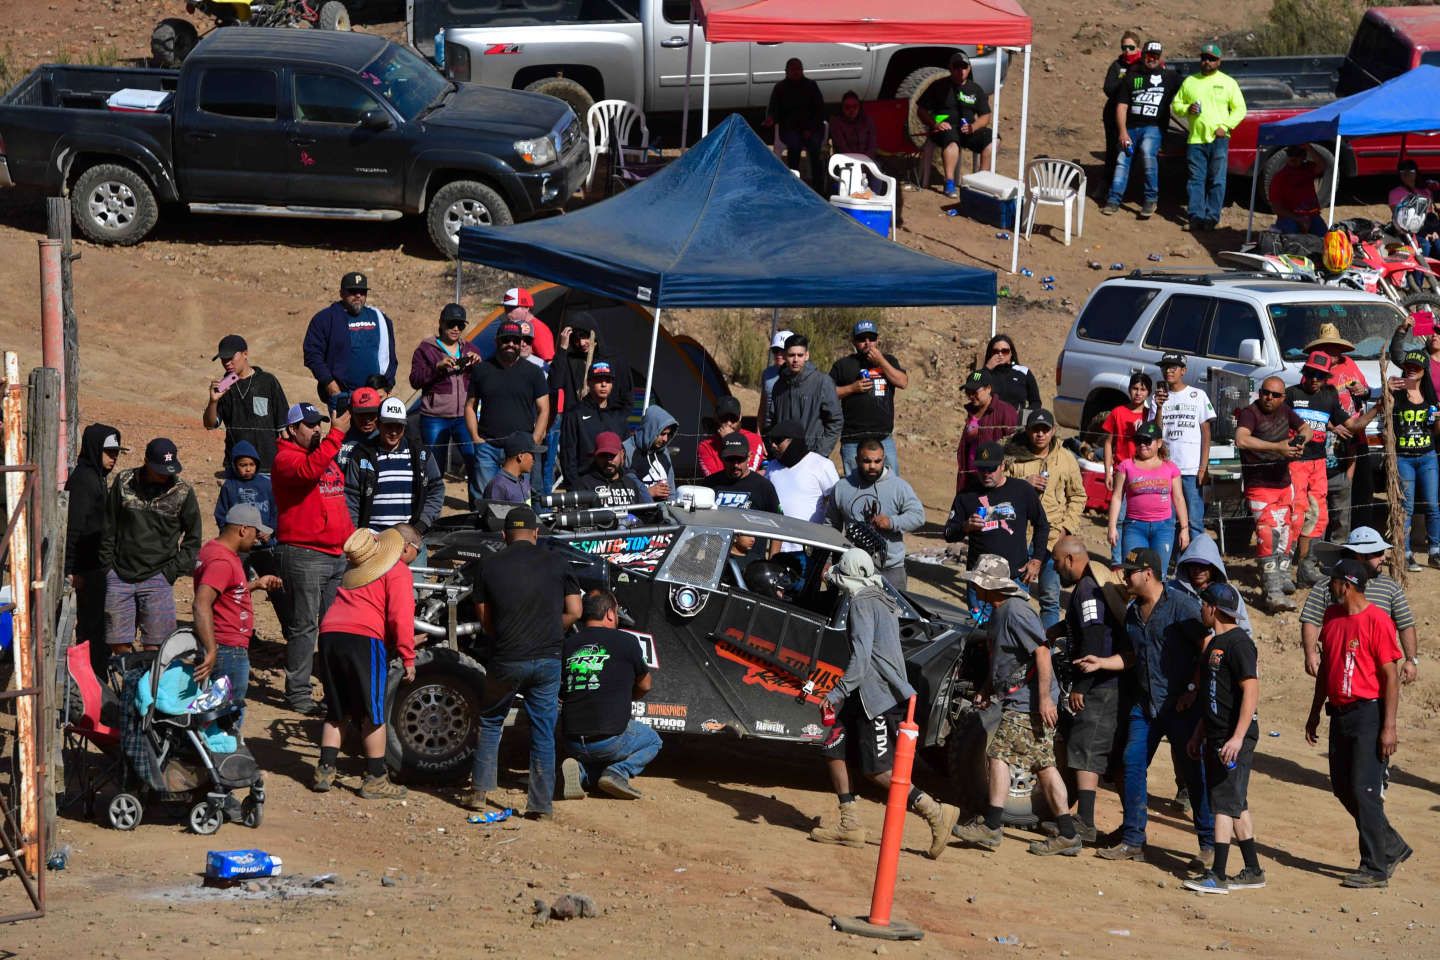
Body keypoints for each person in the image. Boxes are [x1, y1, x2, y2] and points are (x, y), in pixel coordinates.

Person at [810, 549, 960, 857]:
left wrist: (837, 692)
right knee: (833, 746)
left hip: (876, 696)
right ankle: (849, 823)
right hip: (865, 693)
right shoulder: (881, 597)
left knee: (878, 771)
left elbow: (862, 658)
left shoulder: (863, 603)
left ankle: (935, 811)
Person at [1080, 548, 1214, 868]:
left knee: (1194, 773)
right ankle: (1133, 839)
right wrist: (1101, 662)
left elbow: (1206, 646)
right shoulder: (1132, 611)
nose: (1125, 578)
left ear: (1148, 574)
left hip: (1180, 704)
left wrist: (1193, 689)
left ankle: (1209, 843)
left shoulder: (1182, 606)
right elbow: (1130, 657)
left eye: (1130, 572)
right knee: (1131, 763)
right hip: (1146, 703)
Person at [952, 554, 1079, 856]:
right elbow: (1003, 659)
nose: (976, 588)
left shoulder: (1016, 612)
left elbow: (1043, 653)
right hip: (1020, 698)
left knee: (998, 755)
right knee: (1045, 766)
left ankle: (992, 826)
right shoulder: (1000, 611)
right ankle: (1068, 833)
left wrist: (1044, 699)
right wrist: (987, 688)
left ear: (991, 587)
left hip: (1027, 702)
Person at [470, 507, 583, 817]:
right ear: (536, 533)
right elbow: (575, 610)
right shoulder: (558, 563)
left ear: (504, 536)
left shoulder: (489, 564)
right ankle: (540, 805)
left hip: (507, 656)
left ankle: (479, 792)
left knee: (492, 721)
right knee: (543, 730)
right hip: (548, 659)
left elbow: (484, 620)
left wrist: (508, 633)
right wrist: (546, 627)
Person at [1305, 559, 1410, 888]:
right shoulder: (1332, 617)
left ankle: (1375, 867)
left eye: (1332, 581)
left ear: (1346, 585)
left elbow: (1390, 676)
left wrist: (1389, 726)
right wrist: (1314, 710)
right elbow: (1326, 669)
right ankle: (1390, 845)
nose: (1328, 587)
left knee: (1365, 790)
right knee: (1342, 786)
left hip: (1368, 713)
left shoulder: (1377, 620)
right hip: (1339, 713)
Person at [311, 526, 418, 800]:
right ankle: (375, 778)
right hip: (363, 638)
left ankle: (325, 770)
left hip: (330, 635)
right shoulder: (397, 571)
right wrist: (408, 656)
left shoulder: (358, 568)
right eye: (417, 551)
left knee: (337, 708)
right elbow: (400, 617)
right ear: (405, 548)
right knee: (374, 712)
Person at [1183, 582, 1266, 893]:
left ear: (1213, 608)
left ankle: (1217, 874)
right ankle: (1254, 869)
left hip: (1234, 738)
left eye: (1203, 604)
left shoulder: (1239, 644)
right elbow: (1211, 695)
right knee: (1235, 803)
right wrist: (1198, 732)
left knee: (1221, 803)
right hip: (1216, 734)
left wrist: (1237, 737)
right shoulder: (1213, 646)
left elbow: (1251, 690)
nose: (1200, 610)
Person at [272, 402, 354, 715]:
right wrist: (336, 435)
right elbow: (309, 473)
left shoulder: (325, 455)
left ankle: (331, 691)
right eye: (309, 425)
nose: (317, 429)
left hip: (335, 553)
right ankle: (298, 694)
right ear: (292, 430)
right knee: (305, 627)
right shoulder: (286, 458)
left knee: (333, 627)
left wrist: (349, 538)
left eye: (319, 423)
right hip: (305, 553)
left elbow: (337, 499)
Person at [1050, 536, 1127, 843]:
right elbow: (1074, 628)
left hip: (1099, 684)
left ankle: (1085, 822)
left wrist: (1081, 685)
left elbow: (1094, 638)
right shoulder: (1086, 589)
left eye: (1057, 562)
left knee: (1086, 748)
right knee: (1086, 747)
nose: (1055, 568)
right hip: (1099, 682)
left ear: (1070, 560)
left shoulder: (1087, 591)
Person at [99, 438, 202, 652]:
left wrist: (171, 572)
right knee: (118, 643)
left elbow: (193, 539)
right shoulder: (124, 481)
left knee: (157, 646)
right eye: (160, 470)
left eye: (169, 469)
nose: (165, 475)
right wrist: (107, 566)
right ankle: (129, 683)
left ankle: (150, 685)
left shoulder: (182, 492)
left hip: (158, 577)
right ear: (146, 461)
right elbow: (108, 525)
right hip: (119, 574)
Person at [559, 590, 662, 800]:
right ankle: (617, 772)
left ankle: (580, 772)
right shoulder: (627, 642)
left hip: (571, 740)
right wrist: (625, 697)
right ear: (609, 614)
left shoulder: (568, 645)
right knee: (653, 740)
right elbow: (646, 684)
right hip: (609, 739)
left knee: (597, 749)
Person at [1285, 351, 1376, 586]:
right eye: (1311, 373)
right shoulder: (1291, 394)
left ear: (1327, 377)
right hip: (1295, 462)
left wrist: (1380, 407)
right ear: (1304, 373)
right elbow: (1275, 421)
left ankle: (1306, 569)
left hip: (1319, 465)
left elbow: (1353, 426)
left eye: (1321, 375)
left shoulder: (1329, 395)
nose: (1315, 379)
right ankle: (1284, 571)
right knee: (1295, 516)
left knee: (1318, 518)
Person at [192, 504, 282, 732]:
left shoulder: (212, 550)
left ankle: (201, 754)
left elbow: (226, 591)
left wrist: (255, 584)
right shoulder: (222, 561)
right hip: (227, 649)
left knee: (211, 709)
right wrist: (212, 650)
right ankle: (222, 758)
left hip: (224, 647)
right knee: (227, 715)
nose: (257, 538)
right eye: (255, 532)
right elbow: (201, 604)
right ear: (243, 530)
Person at [1299, 527, 1419, 685]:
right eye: (1377, 553)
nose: (1383, 558)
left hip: (1378, 674)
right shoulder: (1329, 585)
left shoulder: (1390, 587)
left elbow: (1405, 624)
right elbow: (1311, 619)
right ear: (1360, 555)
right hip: (1339, 670)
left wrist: (1411, 660)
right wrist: (1310, 653)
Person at [1004, 409, 1086, 629]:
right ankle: (1018, 645)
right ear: (1028, 431)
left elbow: (1078, 496)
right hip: (1019, 536)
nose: (1040, 434)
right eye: (1035, 430)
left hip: (1052, 539)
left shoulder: (1066, 459)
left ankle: (1046, 652)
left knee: (1050, 599)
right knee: (1017, 597)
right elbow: (999, 491)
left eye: (1045, 430)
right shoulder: (1013, 455)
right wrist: (1023, 483)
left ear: (1053, 431)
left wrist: (1066, 528)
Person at [943, 441, 1048, 613]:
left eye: (991, 469)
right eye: (981, 469)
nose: (986, 474)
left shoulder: (1022, 490)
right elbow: (948, 533)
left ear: (1003, 466)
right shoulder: (966, 496)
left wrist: (1036, 559)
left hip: (1014, 578)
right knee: (982, 635)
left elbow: (1042, 525)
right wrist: (965, 527)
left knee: (1012, 631)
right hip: (980, 582)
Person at [1233, 375, 1305, 609]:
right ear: (1260, 392)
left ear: (1283, 397)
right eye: (1265, 392)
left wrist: (1301, 440)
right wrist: (1278, 447)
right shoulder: (1250, 413)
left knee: (1287, 532)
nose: (1269, 398)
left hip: (1283, 483)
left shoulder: (1285, 410)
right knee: (1267, 535)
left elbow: (1305, 427)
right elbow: (1241, 440)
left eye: (1275, 395)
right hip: (1259, 484)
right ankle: (1271, 591)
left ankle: (1282, 578)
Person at [467, 319, 550, 506]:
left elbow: (544, 408)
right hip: (488, 446)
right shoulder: (482, 370)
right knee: (484, 499)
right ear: (497, 341)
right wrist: (475, 437)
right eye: (506, 340)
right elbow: (470, 406)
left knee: (521, 501)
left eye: (515, 340)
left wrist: (534, 440)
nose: (510, 344)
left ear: (521, 343)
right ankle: (484, 535)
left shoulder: (534, 372)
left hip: (521, 450)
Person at [827, 438, 925, 590]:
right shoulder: (842, 488)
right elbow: (830, 527)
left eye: (877, 461)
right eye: (866, 461)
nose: (872, 466)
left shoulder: (899, 487)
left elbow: (918, 516)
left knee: (894, 613)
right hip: (852, 570)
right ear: (856, 460)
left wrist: (891, 522)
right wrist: (826, 562)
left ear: (883, 460)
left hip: (891, 569)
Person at [66, 424, 124, 670]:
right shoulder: (84, 481)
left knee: (98, 623)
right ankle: (88, 676)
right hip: (85, 569)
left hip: (95, 567)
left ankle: (95, 671)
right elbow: (73, 527)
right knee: (89, 626)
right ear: (94, 448)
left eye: (116, 453)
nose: (114, 458)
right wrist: (72, 569)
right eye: (108, 452)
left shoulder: (96, 478)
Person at [1171, 43, 1246, 231]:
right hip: (1195, 139)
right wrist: (1187, 108)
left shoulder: (1228, 82)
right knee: (1196, 180)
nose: (1207, 62)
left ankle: (1212, 217)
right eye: (1204, 58)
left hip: (1219, 140)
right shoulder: (1190, 81)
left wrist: (1226, 126)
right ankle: (1196, 217)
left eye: (1212, 59)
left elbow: (1240, 109)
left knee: (1217, 180)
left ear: (1219, 62)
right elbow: (1176, 105)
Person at [344, 396, 444, 535]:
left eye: (399, 426)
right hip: (372, 538)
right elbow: (350, 500)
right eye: (388, 425)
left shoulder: (421, 454)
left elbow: (436, 490)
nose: (394, 431)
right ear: (378, 424)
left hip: (409, 537)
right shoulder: (361, 456)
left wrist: (421, 526)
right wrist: (357, 535)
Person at [1307, 324, 1370, 541]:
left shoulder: (1349, 363)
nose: (1332, 352)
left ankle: (1357, 540)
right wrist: (1332, 426)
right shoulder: (1315, 370)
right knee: (1323, 496)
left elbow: (1366, 390)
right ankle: (1318, 545)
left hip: (1355, 434)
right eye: (1327, 347)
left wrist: (1363, 390)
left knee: (1360, 491)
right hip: (1329, 439)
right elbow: (1309, 407)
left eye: (1335, 347)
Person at [1104, 40, 1178, 219]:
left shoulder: (1170, 77)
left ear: (1160, 58)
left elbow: (1187, 92)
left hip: (1153, 128)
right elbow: (1121, 106)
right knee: (1123, 158)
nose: (1151, 59)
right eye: (1148, 55)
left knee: (1147, 153)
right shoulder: (1132, 76)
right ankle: (1113, 200)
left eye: (1155, 56)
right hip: (1130, 127)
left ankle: (1150, 199)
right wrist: (1122, 132)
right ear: (1143, 55)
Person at [303, 271, 398, 407]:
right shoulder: (325, 319)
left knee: (374, 429)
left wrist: (387, 386)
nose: (358, 295)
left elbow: (391, 356)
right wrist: (330, 384)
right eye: (353, 291)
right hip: (343, 395)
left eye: (362, 292)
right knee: (342, 429)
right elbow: (312, 354)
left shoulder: (380, 318)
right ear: (342, 293)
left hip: (375, 396)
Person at [409, 302, 481, 480]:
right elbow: (415, 380)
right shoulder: (425, 349)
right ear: (441, 323)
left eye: (460, 325)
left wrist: (478, 365)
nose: (456, 328)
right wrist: (437, 367)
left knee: (474, 461)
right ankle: (433, 506)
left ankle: (476, 506)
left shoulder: (471, 349)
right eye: (451, 324)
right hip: (435, 417)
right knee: (434, 466)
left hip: (465, 416)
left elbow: (482, 381)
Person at [1107, 421, 1189, 574]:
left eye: (1147, 441)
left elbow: (1179, 499)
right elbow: (1117, 497)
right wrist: (1112, 527)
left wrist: (1184, 529)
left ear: (1159, 443)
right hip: (1134, 527)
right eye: (1138, 441)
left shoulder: (1170, 468)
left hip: (1164, 528)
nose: (1142, 445)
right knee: (1133, 572)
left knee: (1159, 574)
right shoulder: (1126, 466)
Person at [830, 320, 907, 475]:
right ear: (854, 342)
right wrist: (852, 388)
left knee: (891, 484)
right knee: (855, 487)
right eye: (862, 339)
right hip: (853, 438)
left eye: (871, 338)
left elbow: (903, 382)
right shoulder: (843, 365)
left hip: (883, 437)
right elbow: (826, 394)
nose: (867, 343)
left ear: (877, 340)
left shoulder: (889, 361)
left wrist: (881, 362)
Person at [203, 334, 288, 472]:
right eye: (223, 359)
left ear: (245, 354)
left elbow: (283, 426)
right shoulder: (223, 387)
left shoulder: (267, 382)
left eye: (231, 358)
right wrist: (213, 401)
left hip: (266, 464)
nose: (227, 363)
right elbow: (210, 424)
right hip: (236, 465)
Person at [1154, 352, 1213, 549]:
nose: (1168, 370)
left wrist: (1203, 468)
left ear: (1183, 371)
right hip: (1166, 469)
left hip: (1190, 470)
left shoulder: (1198, 395)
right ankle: (1169, 559)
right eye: (1165, 367)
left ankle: (1196, 561)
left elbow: (1206, 432)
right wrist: (1159, 407)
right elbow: (1155, 432)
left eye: (1173, 367)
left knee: (1195, 520)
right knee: (1168, 519)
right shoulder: (1157, 399)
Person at [918, 52, 994, 199]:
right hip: (945, 129)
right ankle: (949, 182)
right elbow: (921, 110)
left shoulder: (975, 89)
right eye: (957, 67)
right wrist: (935, 123)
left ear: (969, 69)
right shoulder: (939, 86)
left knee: (992, 140)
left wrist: (974, 127)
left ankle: (980, 183)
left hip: (968, 130)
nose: (961, 71)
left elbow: (985, 115)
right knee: (951, 139)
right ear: (950, 68)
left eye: (964, 67)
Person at [1390, 350, 1440, 570]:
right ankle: (1406, 552)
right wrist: (1387, 392)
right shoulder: (1398, 393)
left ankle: (1435, 552)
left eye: (1416, 367)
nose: (1411, 369)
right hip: (1404, 458)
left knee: (1432, 505)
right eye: (1408, 365)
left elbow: (1435, 431)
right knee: (1406, 507)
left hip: (1428, 456)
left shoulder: (1430, 396)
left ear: (1423, 371)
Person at [559, 360, 629, 488]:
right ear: (589, 383)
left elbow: (625, 453)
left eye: (608, 381)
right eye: (598, 380)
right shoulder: (575, 414)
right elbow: (568, 455)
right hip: (584, 484)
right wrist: (574, 486)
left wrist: (624, 482)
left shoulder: (619, 415)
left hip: (615, 484)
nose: (603, 384)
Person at [771, 334, 843, 458]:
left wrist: (819, 454)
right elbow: (772, 421)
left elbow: (835, 420)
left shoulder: (822, 382)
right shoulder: (779, 385)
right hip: (784, 458)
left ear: (807, 355)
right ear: (784, 356)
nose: (795, 360)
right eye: (791, 355)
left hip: (812, 456)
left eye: (800, 355)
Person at [764, 58, 828, 193]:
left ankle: (819, 188)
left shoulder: (811, 86)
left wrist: (809, 129)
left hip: (812, 128)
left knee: (815, 149)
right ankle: (794, 186)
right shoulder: (780, 88)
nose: (796, 72)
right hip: (790, 129)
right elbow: (773, 109)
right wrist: (770, 119)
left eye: (798, 69)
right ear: (786, 71)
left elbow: (820, 111)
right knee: (794, 146)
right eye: (793, 69)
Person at [955, 369, 1019, 493]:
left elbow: (1014, 449)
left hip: (993, 479)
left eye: (975, 391)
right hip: (971, 478)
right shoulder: (972, 412)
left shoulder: (1005, 412)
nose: (971, 396)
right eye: (968, 392)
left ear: (988, 388)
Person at [766, 421, 839, 528]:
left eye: (778, 441)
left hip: (810, 541)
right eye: (771, 441)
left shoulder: (822, 465)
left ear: (793, 441)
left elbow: (835, 503)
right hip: (777, 541)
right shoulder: (771, 467)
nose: (773, 445)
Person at [1100, 30, 1143, 193]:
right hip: (1113, 114)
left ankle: (1129, 188)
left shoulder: (1143, 66)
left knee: (1135, 152)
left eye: (1131, 47)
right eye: (1124, 47)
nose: (1127, 51)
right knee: (1112, 150)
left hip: (1135, 116)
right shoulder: (1117, 65)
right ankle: (1106, 184)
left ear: (1138, 48)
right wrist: (1125, 82)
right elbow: (1108, 88)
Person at [702, 434, 781, 513]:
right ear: (721, 457)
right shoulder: (709, 485)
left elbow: (778, 519)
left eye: (740, 459)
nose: (735, 465)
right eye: (730, 459)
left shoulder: (763, 486)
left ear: (749, 457)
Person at [571, 432, 653, 508]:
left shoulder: (630, 483)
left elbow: (644, 515)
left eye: (612, 455)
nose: (609, 460)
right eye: (603, 455)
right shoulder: (584, 485)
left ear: (622, 454)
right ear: (595, 456)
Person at [697, 396, 765, 477]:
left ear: (740, 417)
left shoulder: (754, 439)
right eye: (724, 419)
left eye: (733, 419)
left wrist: (731, 439)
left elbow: (747, 477)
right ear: (716, 418)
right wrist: (728, 440)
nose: (729, 423)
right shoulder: (705, 447)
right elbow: (714, 480)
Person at [1268, 145, 1327, 235]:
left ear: (1304, 157)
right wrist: (1298, 219)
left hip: (1312, 216)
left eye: (1297, 155)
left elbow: (1322, 165)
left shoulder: (1308, 169)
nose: (1294, 157)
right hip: (1290, 218)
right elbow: (1277, 209)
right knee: (1293, 237)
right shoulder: (1279, 178)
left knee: (1325, 237)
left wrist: (1309, 147)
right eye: (1291, 154)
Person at [625, 405, 679, 502]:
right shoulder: (627, 450)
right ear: (651, 430)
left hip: (663, 512)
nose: (665, 439)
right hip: (638, 513)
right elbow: (620, 491)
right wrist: (647, 492)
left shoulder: (663, 451)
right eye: (662, 434)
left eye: (668, 434)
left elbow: (671, 490)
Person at [1389, 159, 1440, 256]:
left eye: (1411, 171)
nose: (1406, 174)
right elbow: (1399, 217)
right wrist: (1424, 234)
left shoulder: (1425, 191)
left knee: (1438, 244)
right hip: (1409, 229)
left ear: (1416, 173)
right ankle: (1419, 271)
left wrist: (1434, 232)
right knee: (1425, 246)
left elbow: (1430, 215)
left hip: (1429, 227)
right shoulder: (1395, 193)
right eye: (1402, 171)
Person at [982, 334, 1041, 415]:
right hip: (990, 424)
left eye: (1004, 351)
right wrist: (987, 368)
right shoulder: (983, 373)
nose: (1000, 354)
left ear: (1011, 353)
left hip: (1017, 423)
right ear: (990, 353)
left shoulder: (1024, 372)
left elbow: (1036, 402)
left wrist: (1023, 415)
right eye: (996, 351)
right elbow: (973, 382)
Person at [484, 433, 544, 503]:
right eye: (532, 455)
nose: (534, 460)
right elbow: (495, 513)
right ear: (520, 457)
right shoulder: (498, 486)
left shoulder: (523, 480)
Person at [758, 329, 795, 433]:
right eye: (775, 350)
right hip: (768, 430)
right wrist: (758, 433)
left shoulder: (800, 376)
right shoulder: (767, 373)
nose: (778, 354)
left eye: (782, 350)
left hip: (789, 432)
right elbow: (763, 405)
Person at [829, 91, 877, 160]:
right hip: (846, 160)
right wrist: (856, 161)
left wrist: (866, 159)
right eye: (847, 107)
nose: (851, 110)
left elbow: (872, 145)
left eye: (855, 106)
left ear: (859, 107)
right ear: (842, 108)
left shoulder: (867, 120)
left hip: (867, 160)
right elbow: (842, 147)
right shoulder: (836, 122)